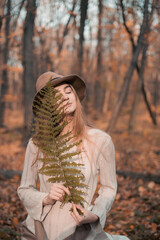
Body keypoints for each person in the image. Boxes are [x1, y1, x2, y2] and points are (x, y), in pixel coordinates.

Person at [17, 72, 130, 240]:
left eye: (68, 91)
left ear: (75, 96)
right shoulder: (37, 144)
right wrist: (46, 198)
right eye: (56, 96)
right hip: (40, 229)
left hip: (80, 229)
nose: (65, 97)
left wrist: (95, 214)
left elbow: (109, 188)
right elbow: (24, 189)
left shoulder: (101, 141)